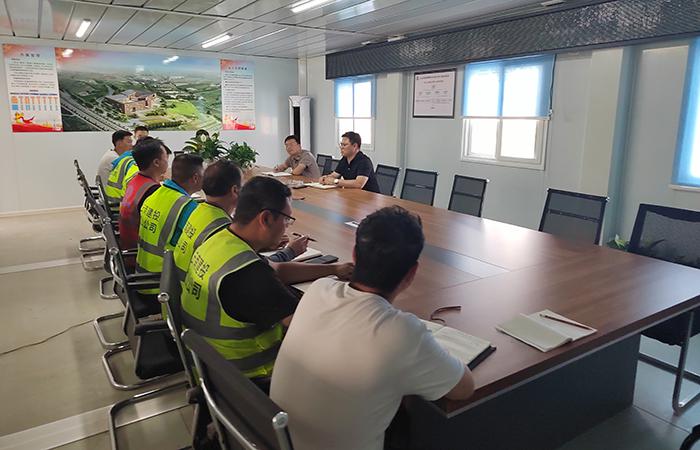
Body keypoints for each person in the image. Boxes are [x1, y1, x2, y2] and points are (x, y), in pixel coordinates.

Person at [270, 206, 475, 450]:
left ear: (354, 255)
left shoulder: (319, 289)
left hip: (274, 439)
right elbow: (464, 389)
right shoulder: (402, 333)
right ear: (412, 273)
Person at [180, 176, 353, 386]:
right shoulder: (250, 276)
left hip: (211, 370)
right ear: (266, 219)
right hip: (250, 382)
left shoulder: (220, 241)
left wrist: (333, 269)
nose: (287, 227)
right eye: (287, 220)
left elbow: (277, 269)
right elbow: (311, 329)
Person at [173, 160, 308, 280]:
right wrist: (289, 252)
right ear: (235, 190)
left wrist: (264, 243)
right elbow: (252, 268)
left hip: (182, 284)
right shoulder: (222, 226)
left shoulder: (199, 210)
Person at [136, 154, 204, 294]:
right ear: (196, 178)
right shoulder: (186, 207)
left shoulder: (156, 193)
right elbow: (203, 245)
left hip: (141, 276)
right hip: (163, 285)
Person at [119, 138, 169, 253]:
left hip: (129, 244)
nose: (167, 161)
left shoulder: (136, 180)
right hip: (139, 251)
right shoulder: (151, 190)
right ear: (156, 162)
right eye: (166, 157)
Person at [102, 131, 139, 211]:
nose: (132, 145)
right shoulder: (114, 159)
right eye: (129, 142)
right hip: (114, 201)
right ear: (119, 143)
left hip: (109, 197)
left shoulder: (112, 154)